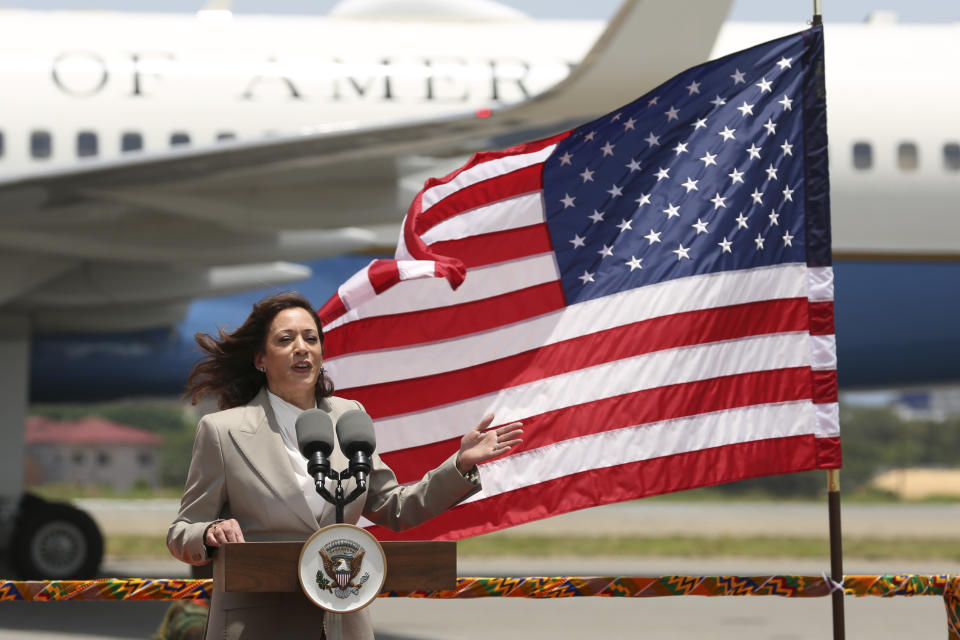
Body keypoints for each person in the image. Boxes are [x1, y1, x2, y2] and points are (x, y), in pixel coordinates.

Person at [167, 291, 522, 640]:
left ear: (321, 353)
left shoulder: (348, 417)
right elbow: (182, 531)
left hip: (341, 623)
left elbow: (394, 507)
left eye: (311, 338)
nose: (301, 347)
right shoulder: (222, 431)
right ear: (261, 359)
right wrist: (209, 533)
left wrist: (459, 464)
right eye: (286, 339)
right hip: (258, 625)